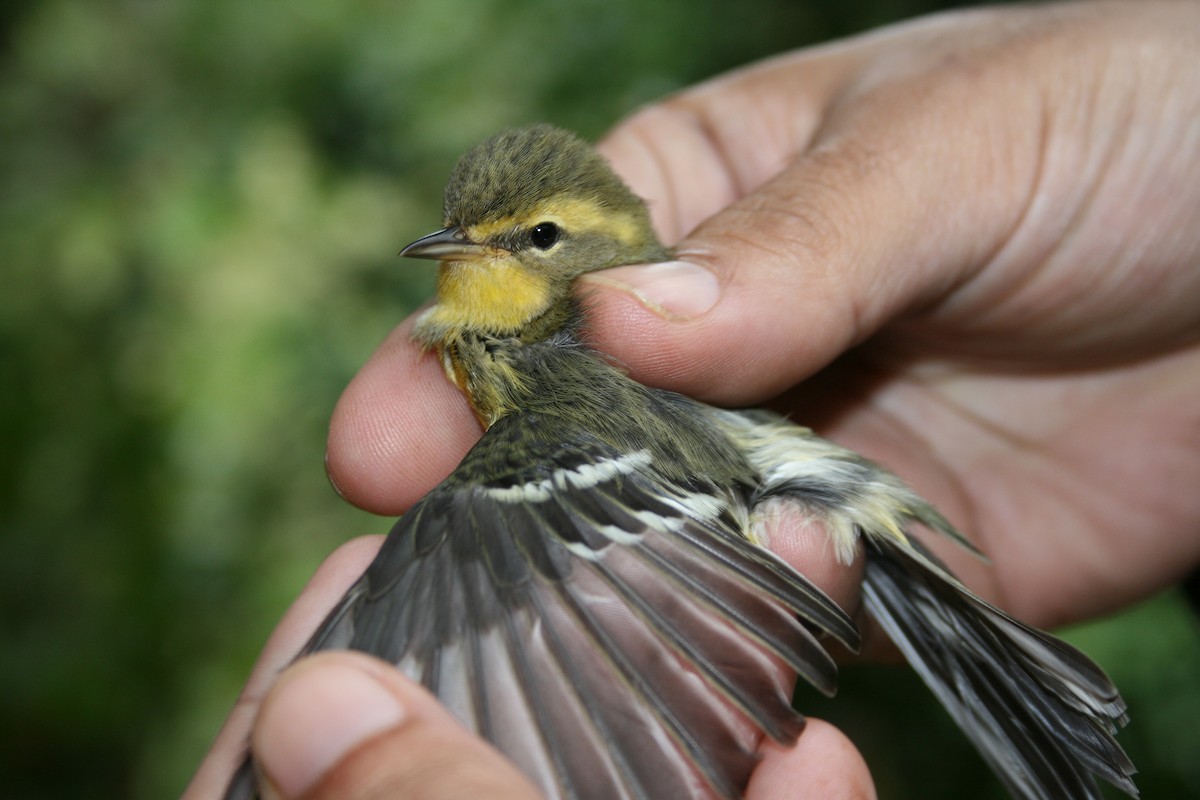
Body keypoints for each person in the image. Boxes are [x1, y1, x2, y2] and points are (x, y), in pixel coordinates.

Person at [186, 2, 1200, 797]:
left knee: (435, 555)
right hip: (770, 485)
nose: (476, 255)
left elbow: (509, 608)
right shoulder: (533, 378)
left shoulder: (568, 366)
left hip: (772, 481)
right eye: (468, 236)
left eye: (531, 238)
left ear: (592, 247)